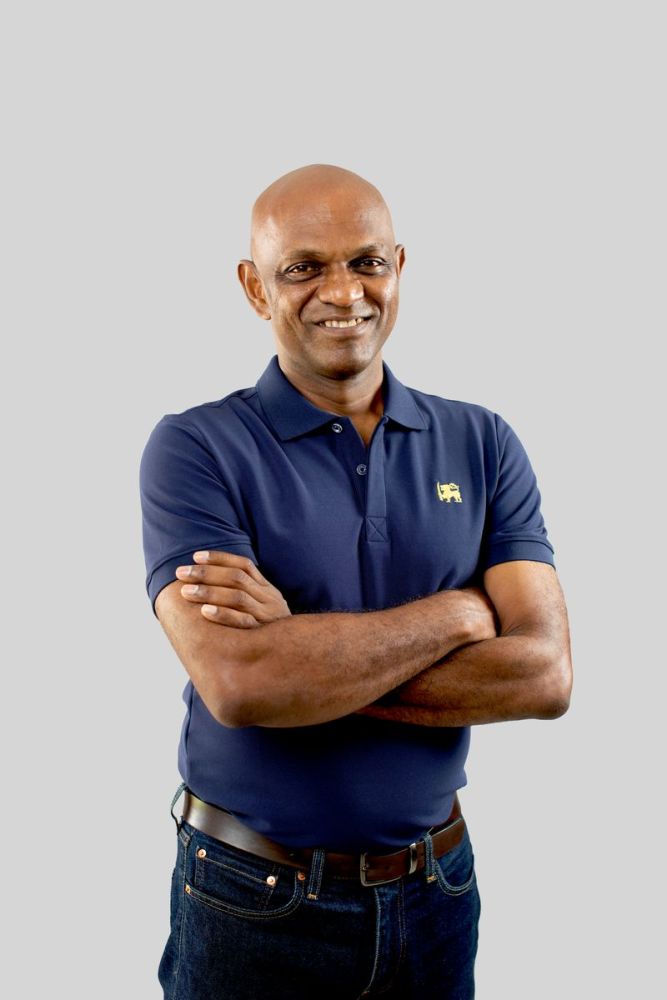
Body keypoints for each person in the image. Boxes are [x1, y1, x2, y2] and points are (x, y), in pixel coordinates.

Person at [139, 163, 573, 999]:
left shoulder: (482, 442)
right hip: (251, 897)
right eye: (303, 268)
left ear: (398, 267)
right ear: (255, 288)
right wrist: (459, 613)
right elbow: (241, 684)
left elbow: (544, 675)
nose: (343, 292)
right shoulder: (195, 449)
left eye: (366, 262)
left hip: (438, 888)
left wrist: (302, 658)